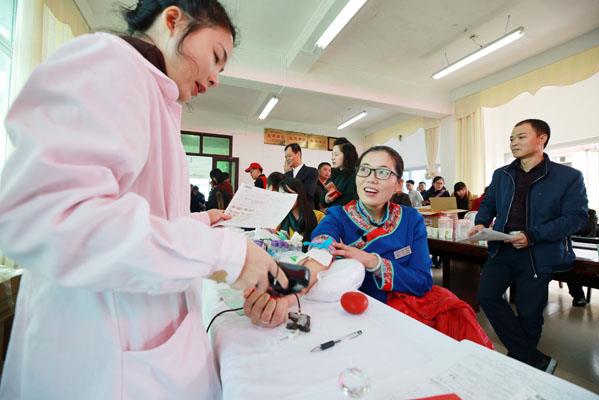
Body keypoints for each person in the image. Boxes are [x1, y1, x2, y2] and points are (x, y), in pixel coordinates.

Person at [0, 2, 288, 399]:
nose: (215, 78)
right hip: (100, 366)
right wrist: (225, 254)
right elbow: (49, 216)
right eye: (216, 56)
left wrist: (203, 221)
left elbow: (144, 217)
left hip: (140, 350)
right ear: (172, 20)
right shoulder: (108, 63)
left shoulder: (157, 100)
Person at [244, 147, 493, 349]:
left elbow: (422, 281)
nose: (371, 178)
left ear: (398, 184)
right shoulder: (337, 216)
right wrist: (285, 295)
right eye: (364, 170)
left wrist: (372, 261)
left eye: (382, 172)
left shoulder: (411, 219)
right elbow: (318, 256)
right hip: (356, 318)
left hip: (408, 317)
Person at [468, 119, 588, 374]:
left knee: (529, 312)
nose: (514, 143)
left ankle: (523, 365)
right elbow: (489, 203)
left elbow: (576, 218)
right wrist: (481, 222)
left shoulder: (567, 176)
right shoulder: (502, 174)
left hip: (538, 252)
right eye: (511, 138)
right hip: (502, 248)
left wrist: (532, 235)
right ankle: (533, 360)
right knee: (487, 296)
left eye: (521, 137)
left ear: (541, 139)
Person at [322, 142, 359, 209]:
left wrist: (331, 206)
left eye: (336, 155)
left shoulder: (354, 176)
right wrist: (326, 199)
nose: (332, 158)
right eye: (332, 155)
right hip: (332, 212)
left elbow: (350, 201)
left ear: (347, 155)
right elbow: (322, 196)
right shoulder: (334, 175)